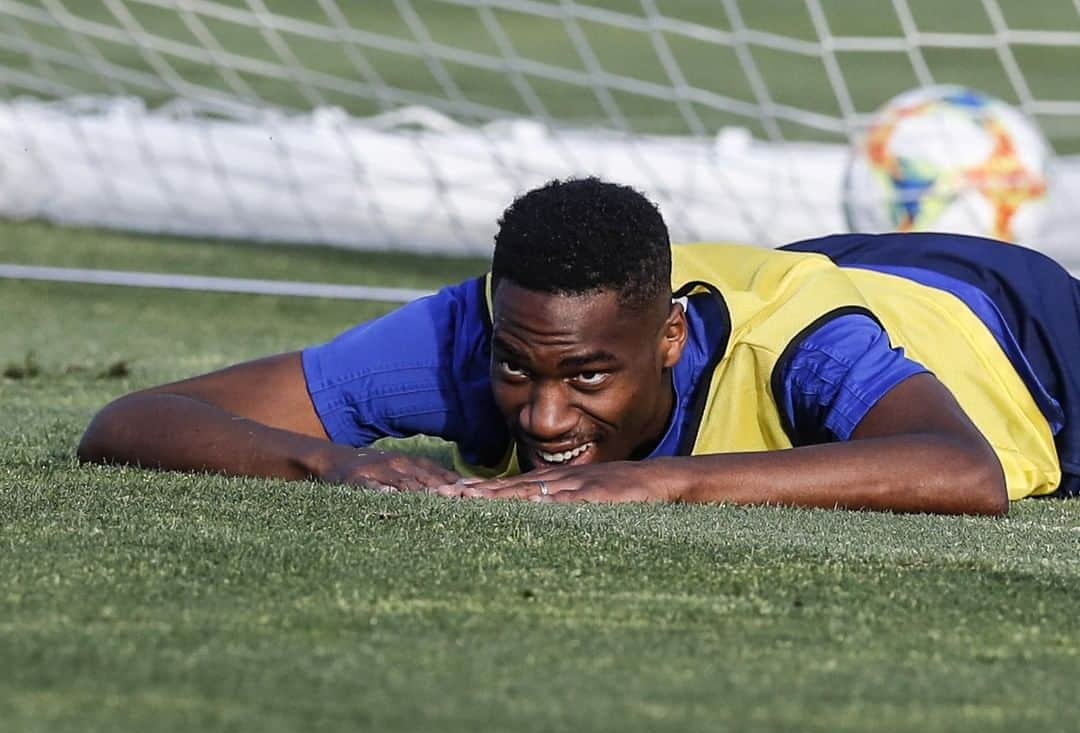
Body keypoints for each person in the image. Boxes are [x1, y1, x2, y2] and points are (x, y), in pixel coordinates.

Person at [78, 177, 1080, 515]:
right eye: (520, 371)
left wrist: (663, 482)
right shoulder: (478, 326)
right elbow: (131, 419)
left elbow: (965, 472)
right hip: (846, 264)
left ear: (671, 341)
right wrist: (328, 460)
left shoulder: (806, 348)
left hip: (1020, 331)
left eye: (587, 376)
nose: (546, 415)